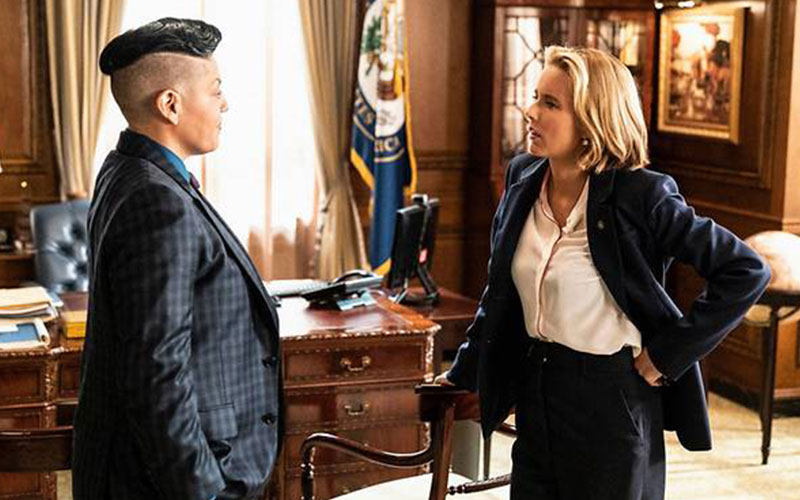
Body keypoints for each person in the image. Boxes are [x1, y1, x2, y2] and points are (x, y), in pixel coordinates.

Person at [434, 46, 770, 499]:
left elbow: (746, 271)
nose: (531, 112)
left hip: (611, 400)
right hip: (537, 388)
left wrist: (664, 357)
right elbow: (499, 295)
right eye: (535, 97)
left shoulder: (641, 195)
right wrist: (462, 373)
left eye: (550, 104)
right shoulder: (522, 177)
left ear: (592, 121)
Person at [72, 18, 282, 500]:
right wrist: (201, 490)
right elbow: (156, 370)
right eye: (216, 90)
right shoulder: (156, 199)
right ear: (170, 104)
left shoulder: (129, 169)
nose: (224, 103)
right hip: (182, 479)